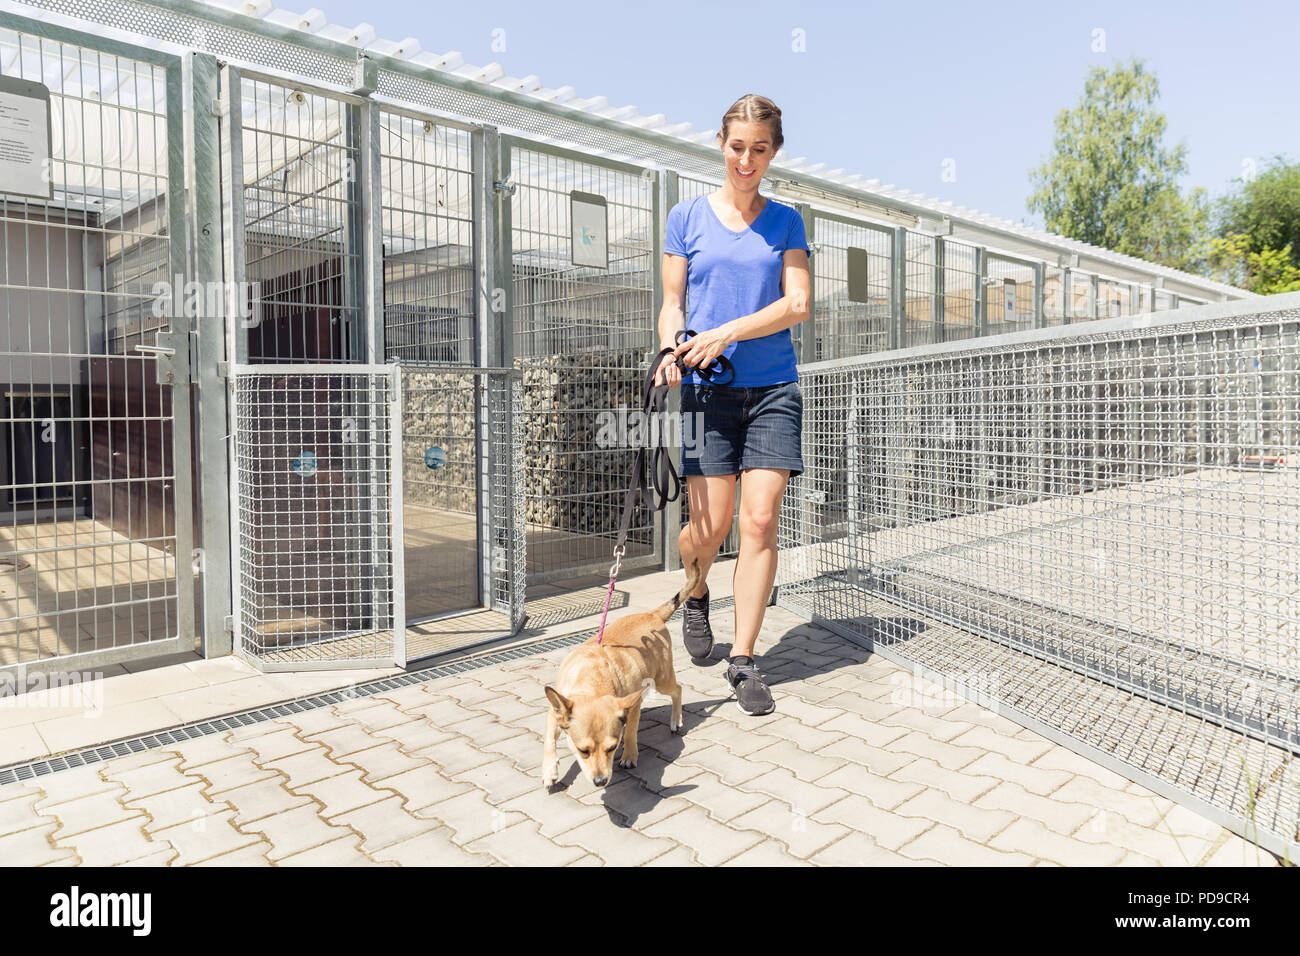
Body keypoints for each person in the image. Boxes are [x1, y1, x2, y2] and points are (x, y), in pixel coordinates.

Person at [655, 93, 811, 716]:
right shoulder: (685, 217)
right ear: (721, 143)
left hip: (772, 388)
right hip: (707, 391)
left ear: (774, 152)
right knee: (709, 527)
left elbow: (796, 304)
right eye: (737, 146)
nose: (747, 159)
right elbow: (673, 301)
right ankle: (696, 595)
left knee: (759, 520)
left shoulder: (787, 223)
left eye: (760, 149)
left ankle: (744, 660)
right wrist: (673, 344)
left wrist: (725, 332)